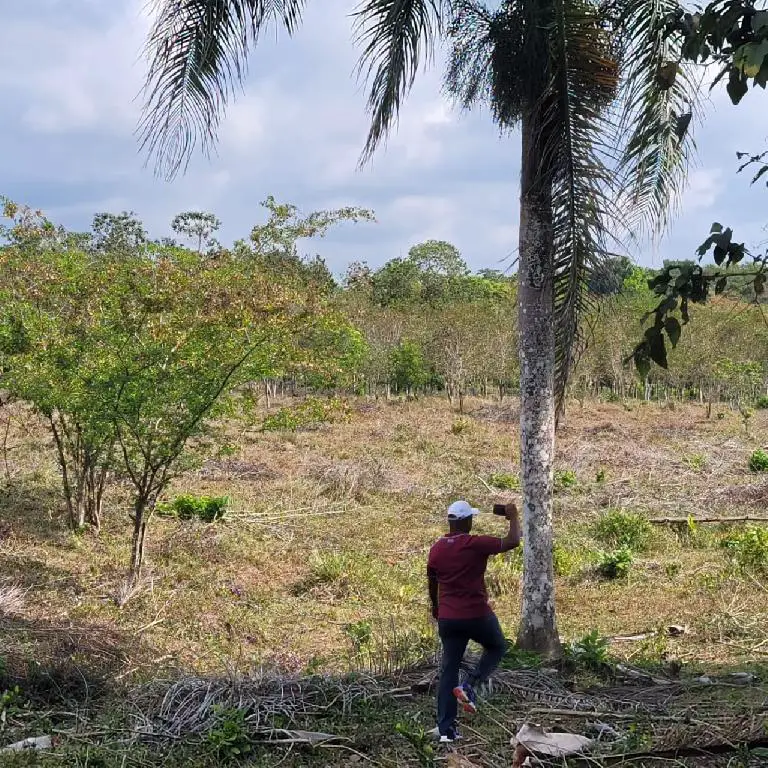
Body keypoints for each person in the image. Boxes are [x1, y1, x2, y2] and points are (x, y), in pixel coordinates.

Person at [427, 499, 521, 743]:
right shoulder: (475, 543)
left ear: (450, 522)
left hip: (448, 617)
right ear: (467, 521)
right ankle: (470, 685)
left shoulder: (437, 548)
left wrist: (436, 607)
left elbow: (432, 580)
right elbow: (512, 541)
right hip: (476, 614)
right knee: (497, 645)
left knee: (449, 670)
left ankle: (446, 731)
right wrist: (513, 517)